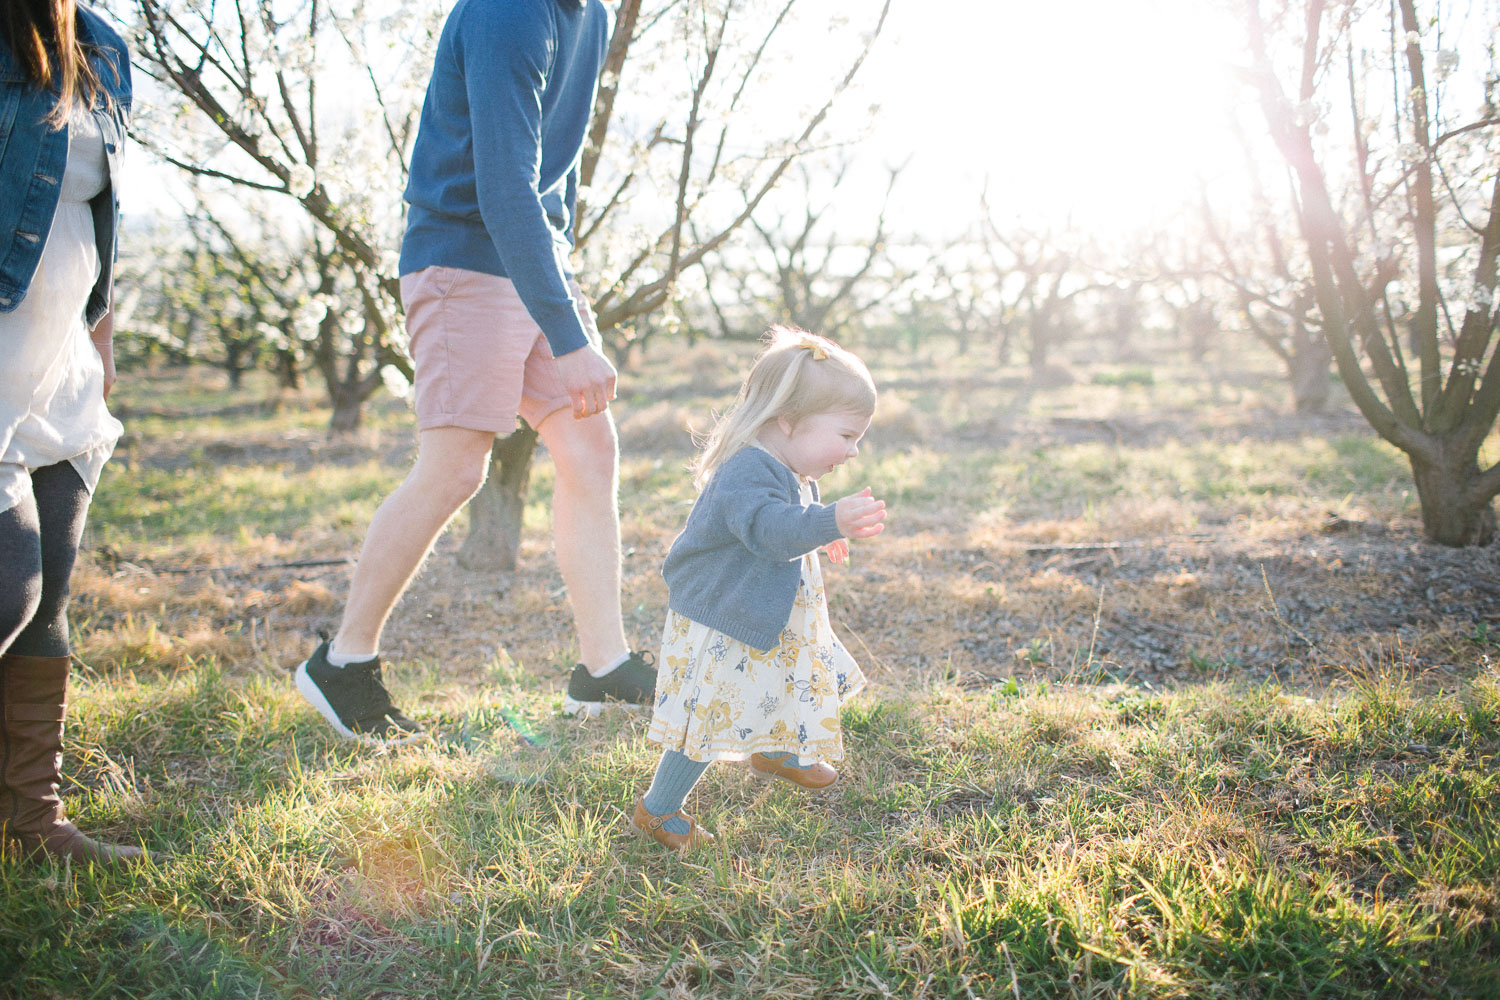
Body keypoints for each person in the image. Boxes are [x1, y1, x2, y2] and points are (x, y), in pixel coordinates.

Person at [294, 0, 657, 743]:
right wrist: (565, 331)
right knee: (455, 467)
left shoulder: (585, 16)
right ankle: (343, 661)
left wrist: (558, 286)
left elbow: (552, 180)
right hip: (462, 256)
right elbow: (502, 184)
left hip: (532, 256)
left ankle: (603, 667)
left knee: (590, 448)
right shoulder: (508, 13)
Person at [629, 328, 888, 852]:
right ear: (787, 421)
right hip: (727, 615)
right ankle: (657, 810)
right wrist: (828, 521)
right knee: (712, 711)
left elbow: (793, 516)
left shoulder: (788, 463)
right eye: (846, 435)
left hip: (769, 606)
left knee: (801, 676)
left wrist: (821, 526)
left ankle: (778, 751)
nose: (854, 451)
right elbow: (771, 530)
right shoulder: (746, 468)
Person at [0, 0, 143, 865]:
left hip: (61, 368)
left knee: (48, 596)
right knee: (7, 586)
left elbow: (94, 220)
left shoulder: (100, 44)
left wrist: (102, 339)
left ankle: (32, 820)